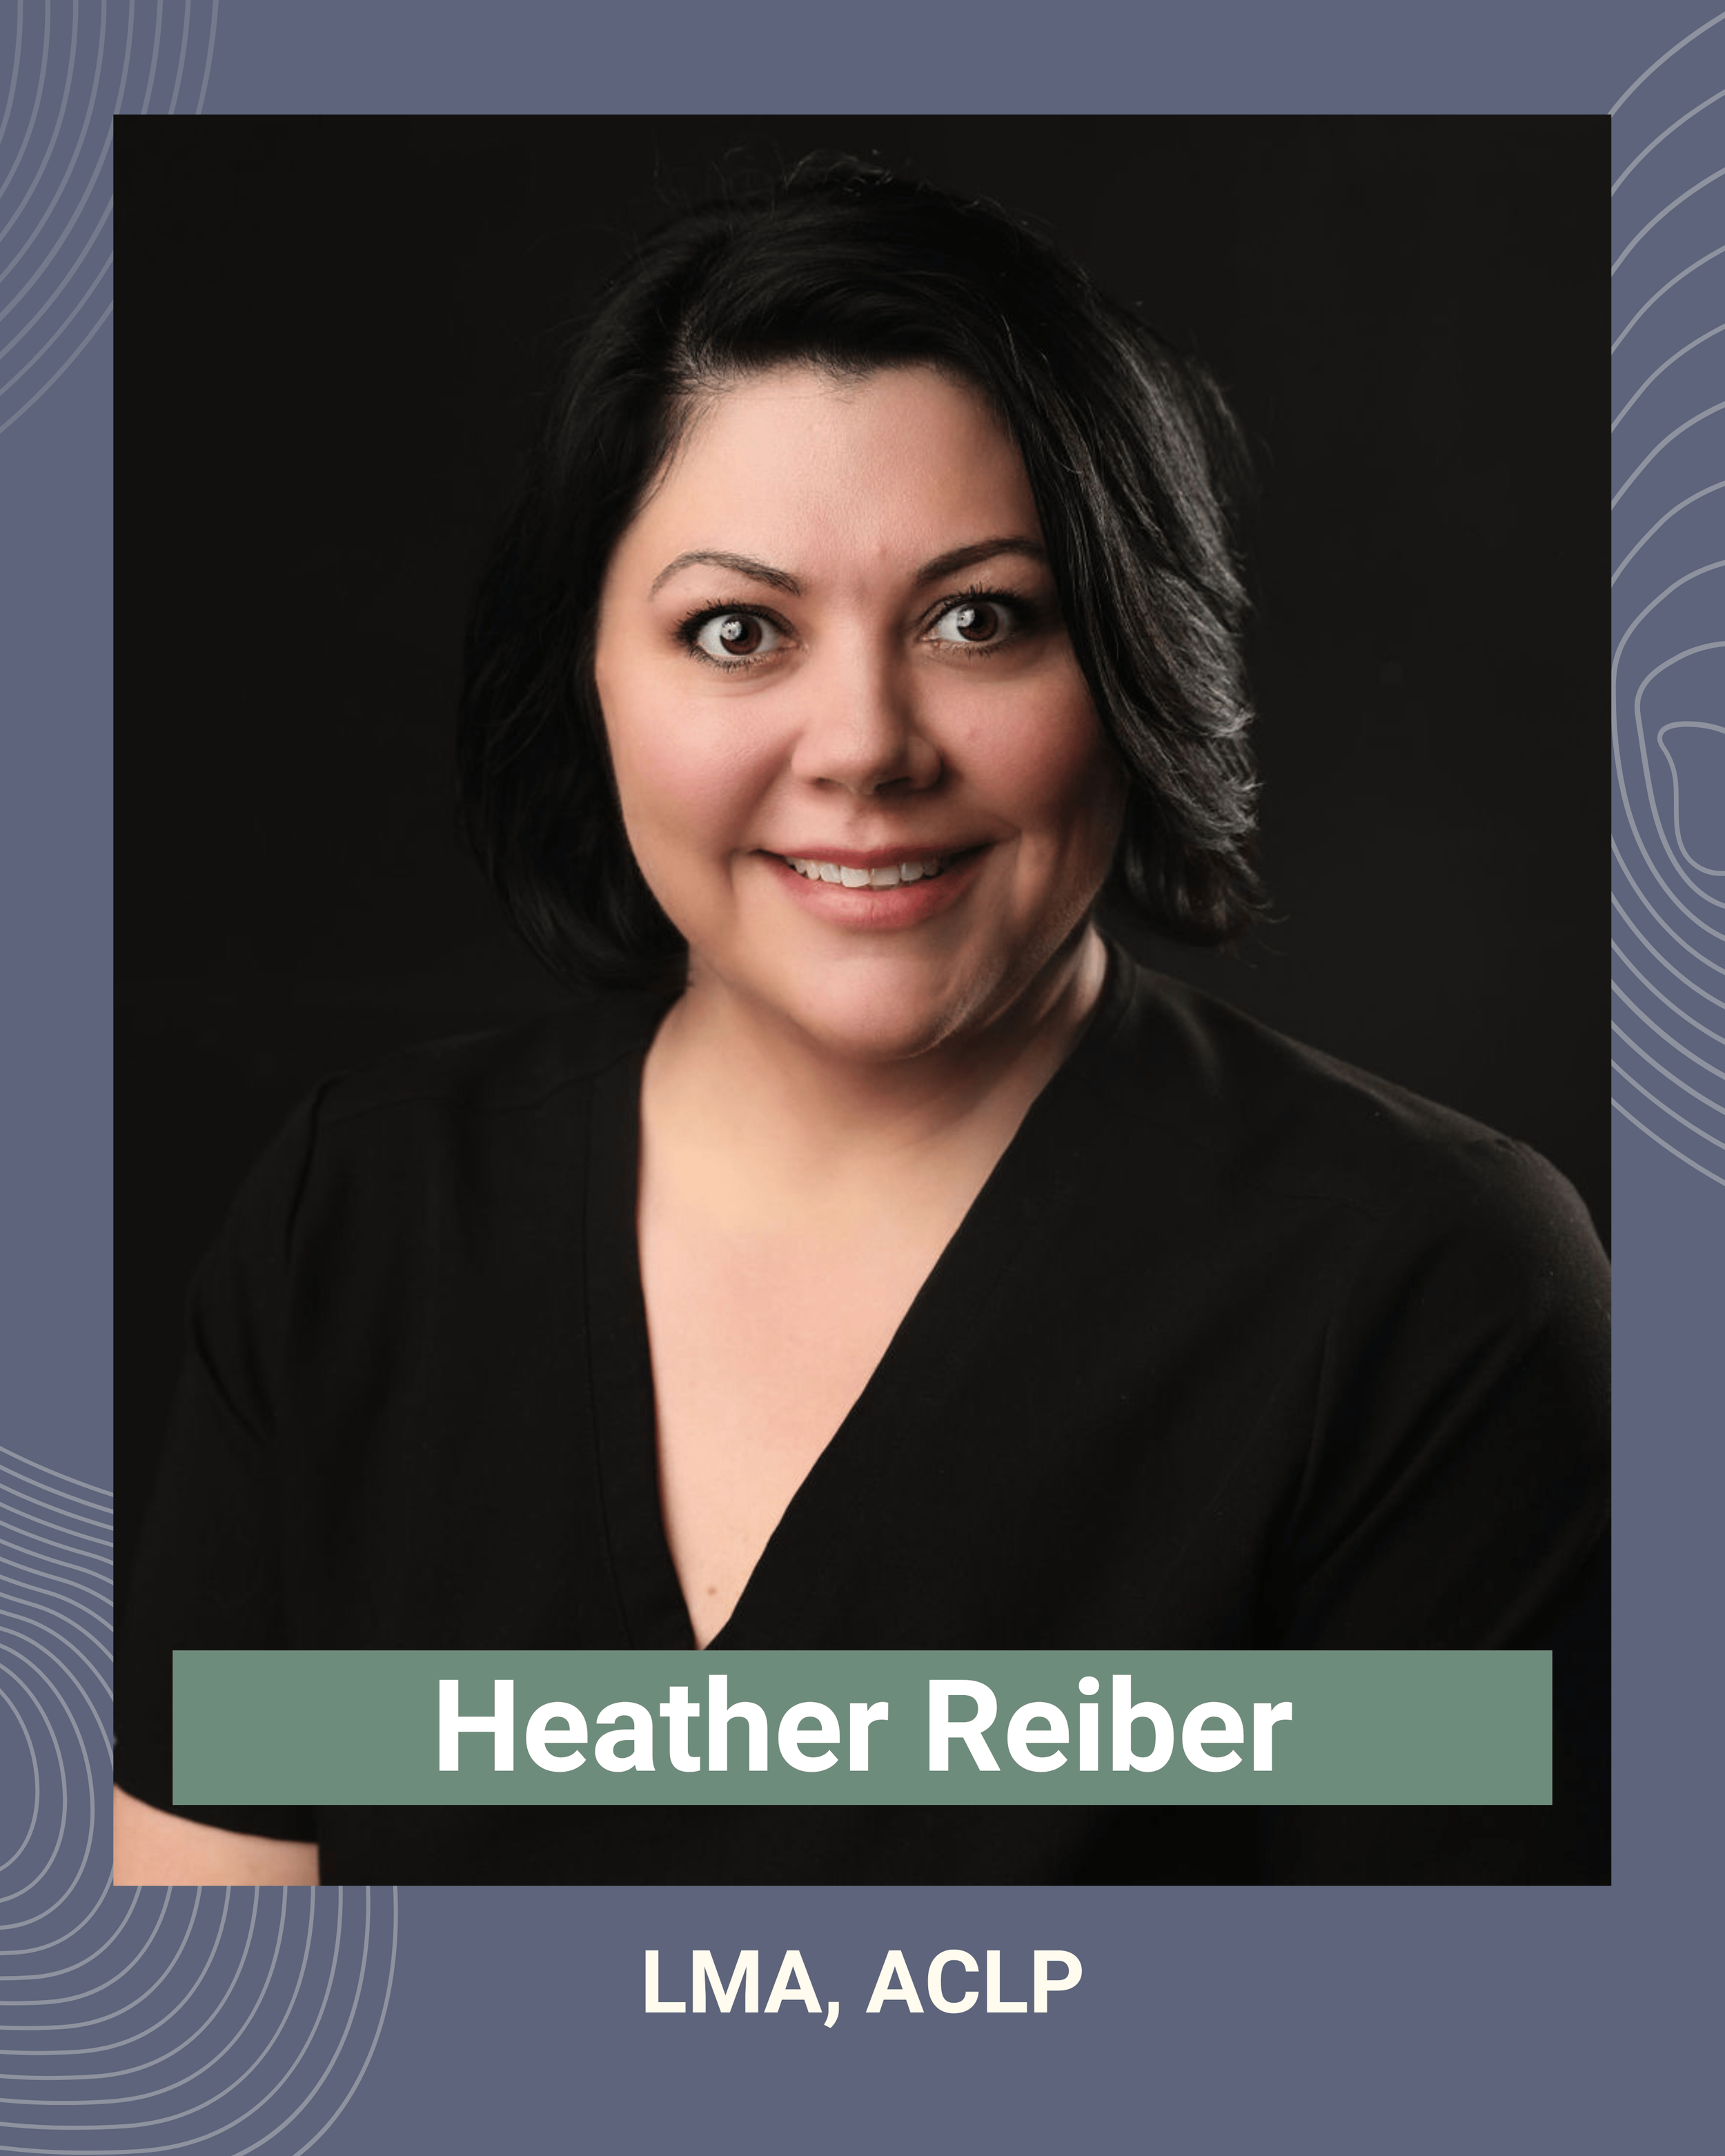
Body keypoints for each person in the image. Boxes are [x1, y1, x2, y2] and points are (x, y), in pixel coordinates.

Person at [115, 157, 1608, 1886]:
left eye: (981, 619)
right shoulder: (356, 1221)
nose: (864, 744)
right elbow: (210, 2035)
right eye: (735, 629)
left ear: (1129, 657)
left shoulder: (1431, 1285)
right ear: (588, 675)